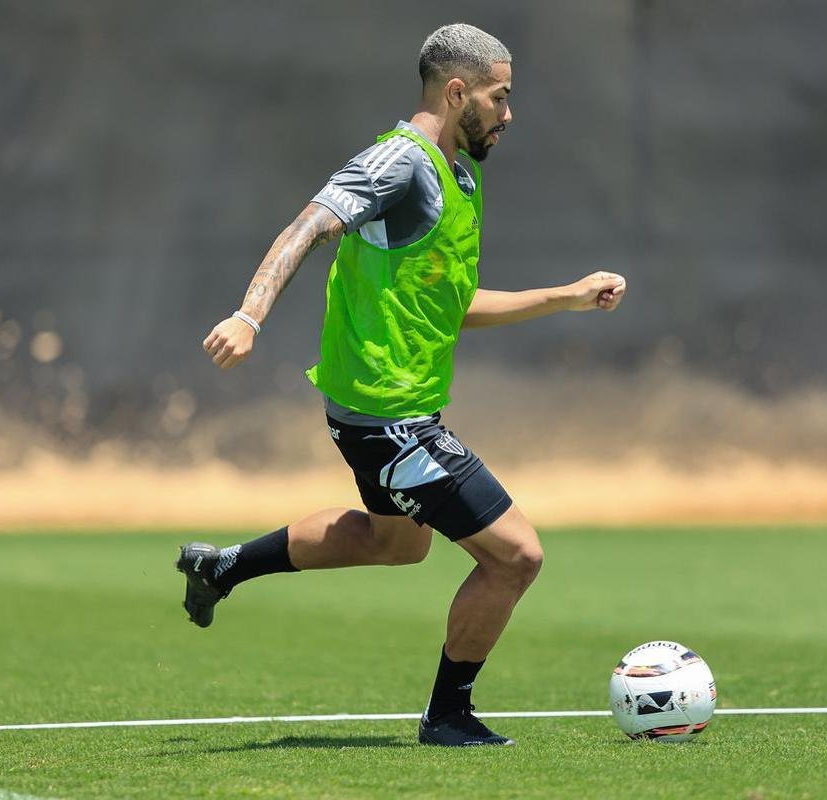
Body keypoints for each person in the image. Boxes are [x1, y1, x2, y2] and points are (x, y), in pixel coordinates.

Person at [176, 22, 626, 747]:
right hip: (390, 420)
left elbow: (451, 306)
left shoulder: (459, 178)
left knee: (398, 543)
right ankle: (447, 716)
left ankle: (223, 567)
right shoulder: (399, 163)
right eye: (499, 97)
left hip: (389, 412)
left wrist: (563, 297)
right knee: (517, 556)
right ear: (457, 92)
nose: (508, 113)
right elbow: (305, 227)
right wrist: (248, 315)